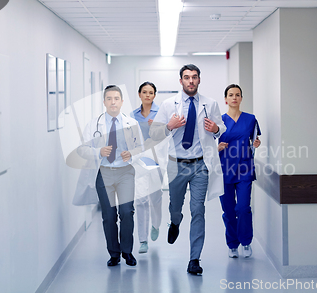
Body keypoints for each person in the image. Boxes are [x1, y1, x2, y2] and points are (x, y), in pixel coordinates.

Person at [150, 64, 226, 275]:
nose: (190, 81)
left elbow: (221, 127)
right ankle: (175, 222)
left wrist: (216, 129)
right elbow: (155, 134)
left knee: (198, 210)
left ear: (199, 80)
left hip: (201, 164)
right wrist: (169, 126)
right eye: (186, 77)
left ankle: (194, 259)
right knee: (176, 207)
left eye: (194, 77)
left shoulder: (210, 104)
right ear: (180, 81)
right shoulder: (168, 105)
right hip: (176, 164)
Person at [78, 85, 144, 267]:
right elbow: (82, 150)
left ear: (122, 101)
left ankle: (127, 252)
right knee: (108, 215)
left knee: (126, 213)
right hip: (104, 173)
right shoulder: (94, 124)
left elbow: (141, 148)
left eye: (116, 98)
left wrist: (132, 154)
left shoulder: (132, 123)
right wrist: (98, 151)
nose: (113, 101)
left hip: (125, 173)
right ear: (104, 101)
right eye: (109, 98)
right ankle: (114, 253)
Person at [217, 84, 261, 258]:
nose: (234, 97)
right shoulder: (219, 121)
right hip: (224, 169)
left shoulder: (250, 119)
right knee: (228, 210)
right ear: (226, 99)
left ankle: (246, 241)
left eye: (237, 95)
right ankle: (232, 244)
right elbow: (208, 145)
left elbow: (254, 140)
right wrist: (217, 147)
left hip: (244, 168)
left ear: (241, 98)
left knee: (242, 208)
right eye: (231, 95)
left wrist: (256, 144)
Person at [131, 81, 163, 254]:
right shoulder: (132, 115)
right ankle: (143, 240)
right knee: (141, 199)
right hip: (139, 161)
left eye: (151, 92)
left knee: (155, 198)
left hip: (157, 159)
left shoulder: (161, 113)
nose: (148, 95)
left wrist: (156, 127)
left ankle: (156, 224)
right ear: (139, 94)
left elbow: (168, 135)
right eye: (145, 92)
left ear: (154, 95)